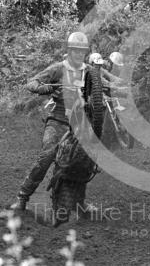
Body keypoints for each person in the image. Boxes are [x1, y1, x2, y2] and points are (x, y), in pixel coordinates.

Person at [10, 32, 90, 210]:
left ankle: (80, 203)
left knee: (84, 161)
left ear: (86, 52)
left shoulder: (90, 71)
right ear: (69, 51)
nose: (78, 54)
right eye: (75, 50)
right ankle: (22, 198)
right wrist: (42, 88)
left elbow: (109, 83)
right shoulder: (58, 68)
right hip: (58, 119)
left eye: (82, 51)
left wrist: (120, 87)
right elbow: (31, 82)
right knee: (47, 155)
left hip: (80, 123)